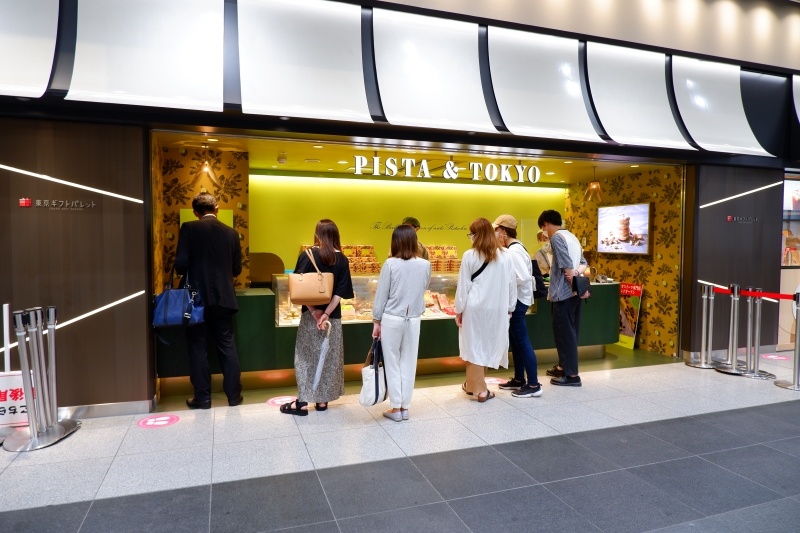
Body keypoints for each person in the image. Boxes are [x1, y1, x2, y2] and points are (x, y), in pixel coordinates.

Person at [174, 192, 243, 409]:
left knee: (198, 347)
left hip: (195, 299)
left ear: (195, 212)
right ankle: (234, 396)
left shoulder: (189, 228)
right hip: (224, 297)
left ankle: (202, 398)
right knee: (227, 345)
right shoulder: (232, 233)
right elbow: (237, 269)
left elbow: (180, 264)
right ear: (217, 208)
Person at [281, 220, 354, 415]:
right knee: (328, 359)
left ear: (317, 234)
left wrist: (315, 312)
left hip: (309, 317)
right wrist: (327, 313)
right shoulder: (342, 259)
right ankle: (322, 402)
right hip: (332, 320)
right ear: (336, 235)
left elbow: (298, 287)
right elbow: (340, 292)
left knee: (306, 358)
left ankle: (302, 403)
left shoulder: (307, 255)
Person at [372, 225, 431, 421]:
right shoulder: (425, 265)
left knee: (392, 362)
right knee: (409, 362)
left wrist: (376, 321)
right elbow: (423, 288)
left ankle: (395, 407)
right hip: (413, 319)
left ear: (395, 242)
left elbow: (381, 296)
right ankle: (405, 407)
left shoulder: (390, 264)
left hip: (392, 318)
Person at [455, 218, 516, 402]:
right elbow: (511, 285)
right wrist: (510, 307)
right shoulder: (506, 255)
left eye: (472, 234)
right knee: (488, 345)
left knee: (473, 346)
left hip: (474, 308)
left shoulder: (470, 255)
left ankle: (480, 390)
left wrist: (459, 310)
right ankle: (474, 385)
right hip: (497, 308)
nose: (471, 237)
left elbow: (463, 286)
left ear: (477, 235)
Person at [492, 215, 542, 398]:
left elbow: (522, 277)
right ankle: (519, 379)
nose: (495, 234)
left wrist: (504, 283)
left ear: (504, 232)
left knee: (522, 342)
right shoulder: (516, 248)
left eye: (496, 230)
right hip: (518, 300)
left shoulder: (512, 252)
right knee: (516, 341)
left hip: (517, 302)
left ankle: (534, 384)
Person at [538, 210, 588, 387]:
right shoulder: (572, 237)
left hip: (563, 294)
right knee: (570, 331)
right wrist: (576, 276)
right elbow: (584, 263)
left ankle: (572, 375)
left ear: (546, 223)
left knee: (564, 334)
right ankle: (563, 367)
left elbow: (566, 264)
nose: (544, 231)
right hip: (574, 294)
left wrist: (571, 277)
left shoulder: (557, 238)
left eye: (543, 227)